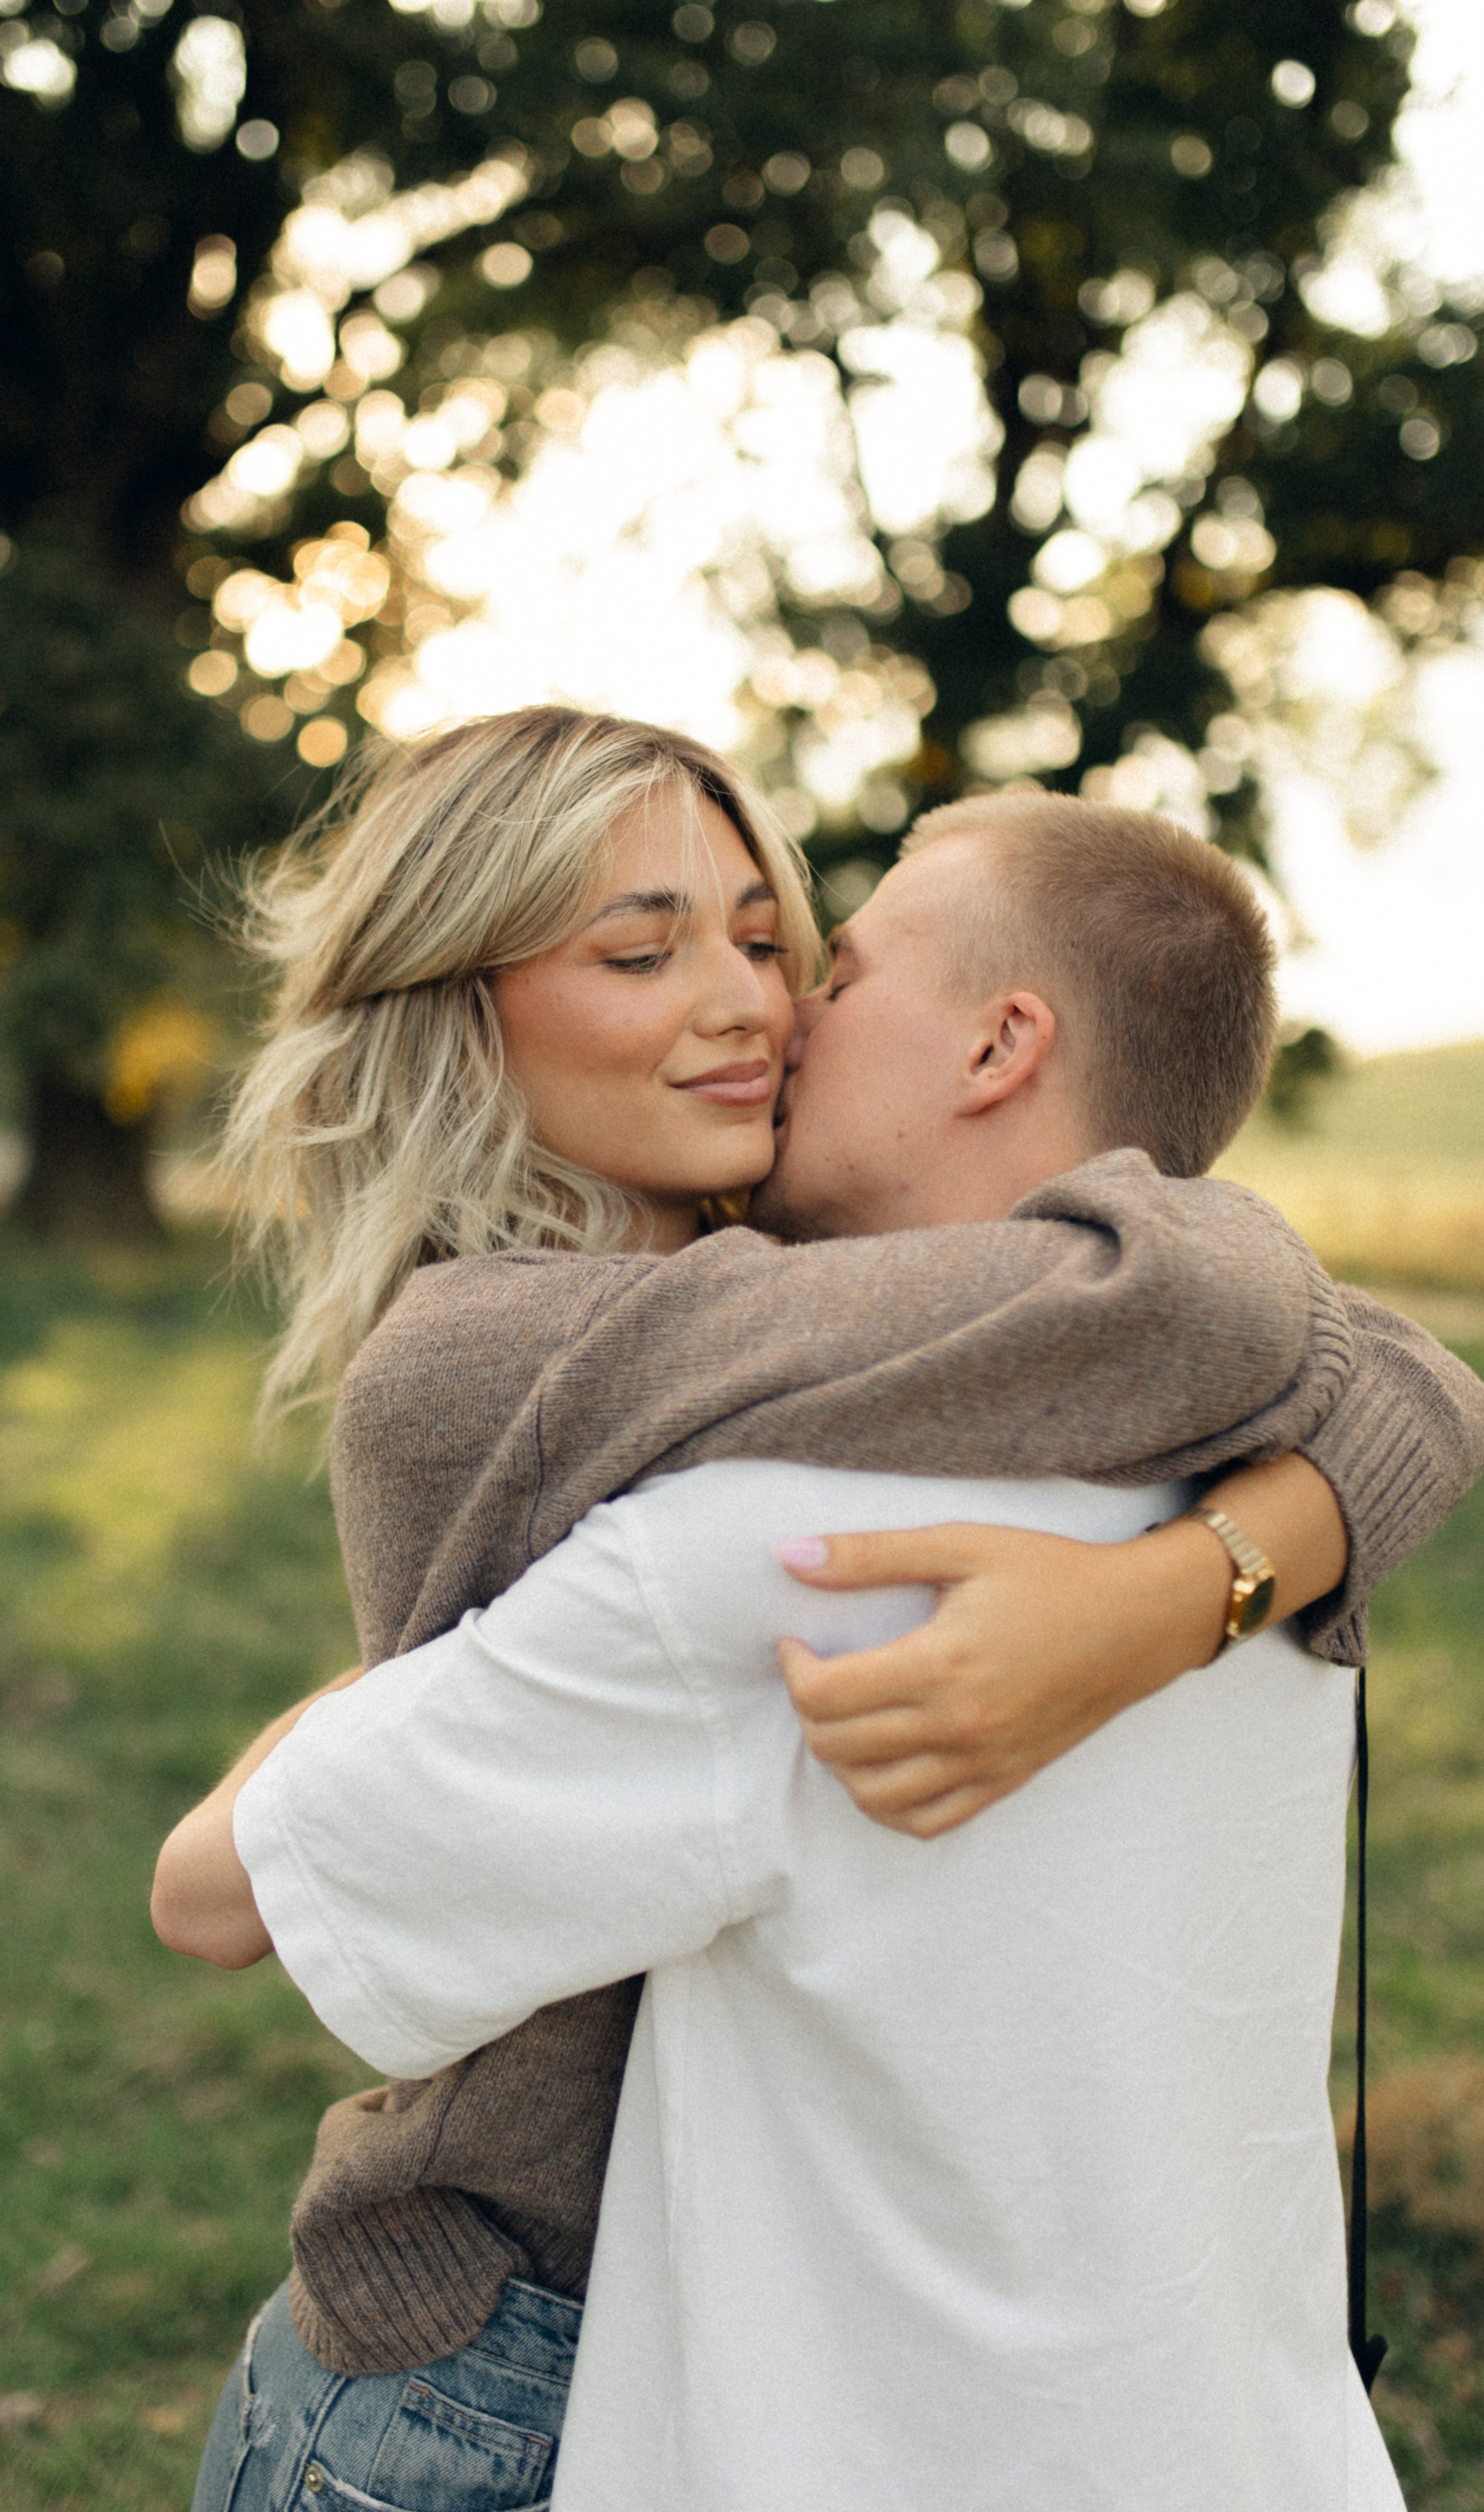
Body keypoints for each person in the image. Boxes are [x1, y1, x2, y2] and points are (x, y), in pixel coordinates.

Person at [156, 712, 1483, 2511]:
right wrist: (1207, 1574)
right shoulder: (505, 1357)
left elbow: (1398, 1371)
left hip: (756, 2333)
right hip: (508, 2326)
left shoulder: (810, 1327)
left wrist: (1173, 1592)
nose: (756, 1005)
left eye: (779, 946)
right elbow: (1228, 1310)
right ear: (460, 1002)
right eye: (641, 952)